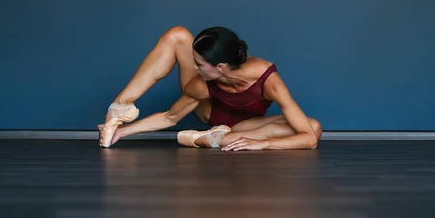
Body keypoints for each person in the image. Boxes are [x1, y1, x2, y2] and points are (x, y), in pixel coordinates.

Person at [98, 26, 322, 151]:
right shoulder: (200, 84)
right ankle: (121, 106)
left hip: (243, 126)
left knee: (313, 126)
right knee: (177, 35)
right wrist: (123, 131)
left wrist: (262, 144)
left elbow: (310, 139)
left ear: (221, 67)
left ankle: (210, 139)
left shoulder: (269, 81)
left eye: (198, 64)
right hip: (210, 113)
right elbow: (170, 117)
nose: (193, 67)